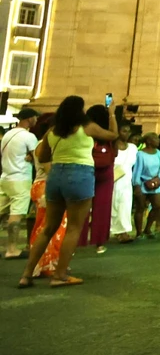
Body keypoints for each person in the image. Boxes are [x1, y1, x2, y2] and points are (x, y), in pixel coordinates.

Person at [18, 95, 117, 289]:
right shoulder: (86, 127)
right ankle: (60, 274)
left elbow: (42, 155)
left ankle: (26, 274)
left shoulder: (53, 131)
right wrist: (112, 114)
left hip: (56, 177)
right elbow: (113, 135)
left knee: (48, 228)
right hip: (80, 175)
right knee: (74, 227)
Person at [26, 114, 65, 277]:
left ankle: (38, 264)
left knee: (42, 225)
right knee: (54, 226)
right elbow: (50, 170)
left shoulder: (39, 144)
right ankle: (48, 264)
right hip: (47, 187)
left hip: (38, 186)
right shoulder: (47, 144)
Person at [1, 108, 40, 259]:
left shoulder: (7, 135)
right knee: (16, 214)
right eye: (35, 118)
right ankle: (12, 249)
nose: (36, 121)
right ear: (30, 119)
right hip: (20, 179)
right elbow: (37, 157)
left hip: (5, 178)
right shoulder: (29, 137)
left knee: (1, 212)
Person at [80, 104, 116, 252]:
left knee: (81, 207)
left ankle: (78, 240)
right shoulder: (107, 133)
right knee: (103, 207)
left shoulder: (85, 130)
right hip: (106, 170)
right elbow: (115, 138)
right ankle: (99, 242)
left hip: (86, 168)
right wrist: (112, 115)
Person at [132, 132, 160, 239]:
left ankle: (148, 228)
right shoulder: (141, 154)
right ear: (148, 141)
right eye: (155, 138)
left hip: (156, 183)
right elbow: (137, 171)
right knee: (140, 208)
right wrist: (136, 185)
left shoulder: (158, 153)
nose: (158, 140)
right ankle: (139, 232)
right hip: (142, 183)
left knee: (158, 206)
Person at [111, 121, 137, 243]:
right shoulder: (112, 147)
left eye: (128, 131)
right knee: (112, 207)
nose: (126, 134)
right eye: (123, 131)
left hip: (126, 182)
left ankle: (123, 232)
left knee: (125, 207)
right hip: (112, 181)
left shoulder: (133, 148)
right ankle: (113, 231)